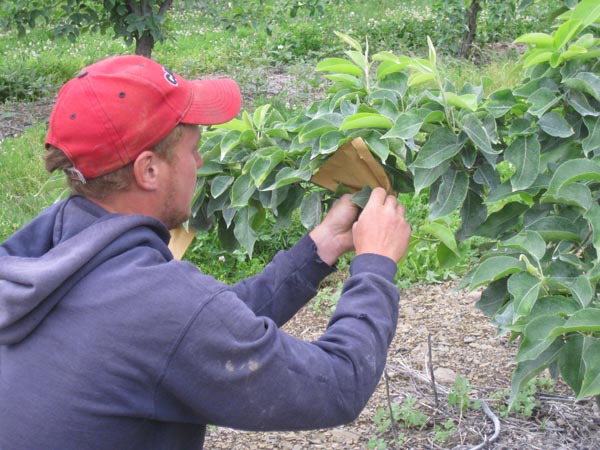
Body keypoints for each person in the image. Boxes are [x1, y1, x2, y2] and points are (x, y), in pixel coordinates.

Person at [0, 55, 411, 450]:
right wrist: (374, 266)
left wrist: (320, 249)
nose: (200, 160)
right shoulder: (156, 306)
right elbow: (338, 385)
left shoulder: (43, 252)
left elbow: (199, 324)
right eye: (192, 149)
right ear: (149, 170)